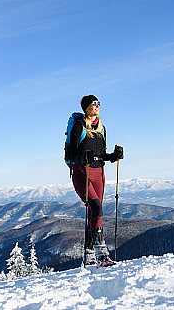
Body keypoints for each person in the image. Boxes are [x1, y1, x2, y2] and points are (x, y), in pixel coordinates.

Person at [66, 95, 123, 265]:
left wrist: (114, 156)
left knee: (95, 211)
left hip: (99, 172)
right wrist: (83, 156)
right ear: (86, 107)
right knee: (96, 206)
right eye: (94, 104)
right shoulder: (79, 126)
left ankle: (89, 254)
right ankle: (101, 254)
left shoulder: (101, 128)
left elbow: (102, 154)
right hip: (82, 172)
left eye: (99, 104)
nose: (97, 106)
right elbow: (72, 154)